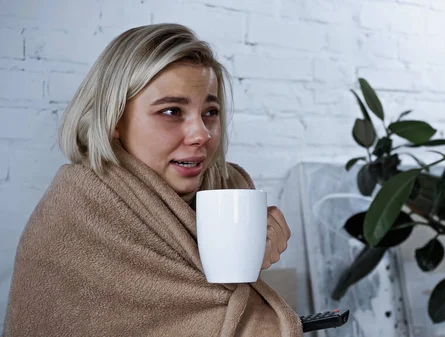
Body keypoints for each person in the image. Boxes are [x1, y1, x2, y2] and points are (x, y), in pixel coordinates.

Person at [3, 23, 302, 337]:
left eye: (210, 112)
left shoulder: (228, 190)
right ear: (114, 119)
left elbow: (209, 302)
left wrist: (250, 257)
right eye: (172, 111)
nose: (201, 134)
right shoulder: (77, 214)